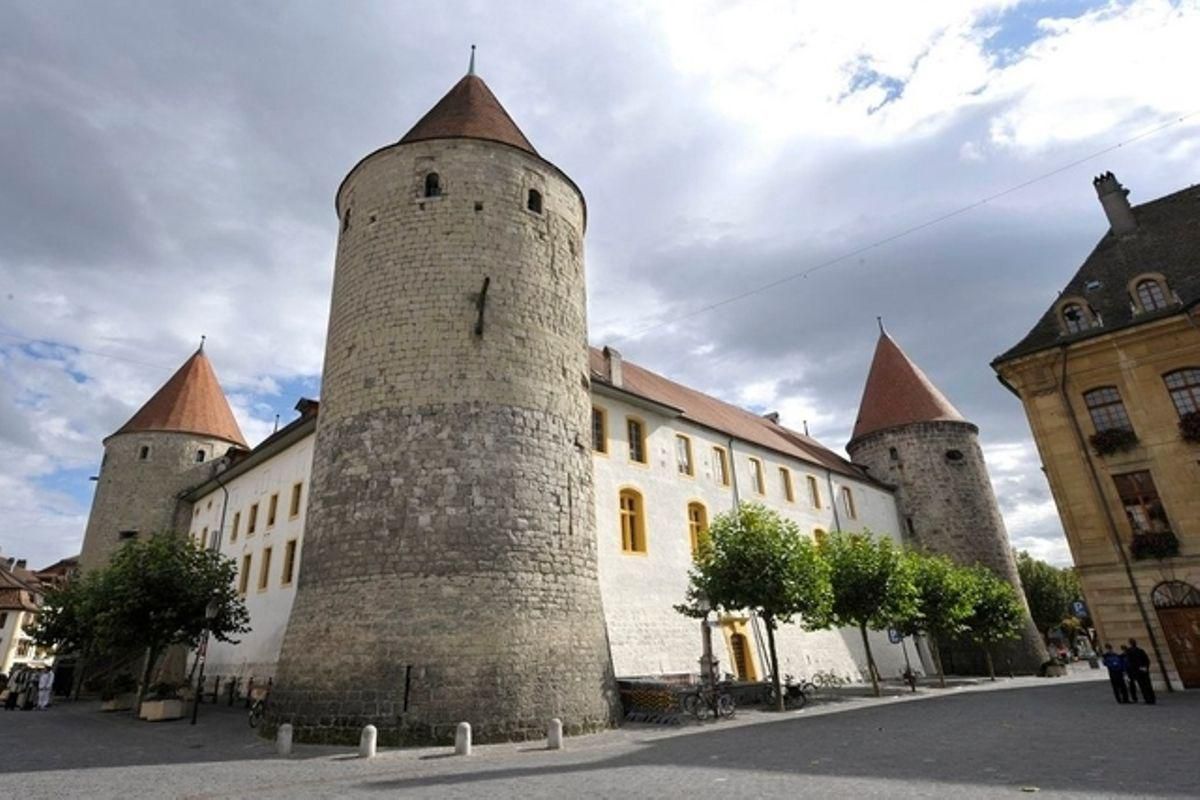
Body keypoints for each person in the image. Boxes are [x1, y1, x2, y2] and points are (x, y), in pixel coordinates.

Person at [1126, 639, 1156, 704]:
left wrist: (1134, 671)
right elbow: (1147, 660)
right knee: (1148, 684)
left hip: (1138, 671)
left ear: (1129, 644)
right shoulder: (1141, 650)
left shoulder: (1129, 652)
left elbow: (1131, 663)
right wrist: (1145, 667)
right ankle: (1152, 698)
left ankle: (1147, 699)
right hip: (1144, 670)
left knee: (1142, 686)